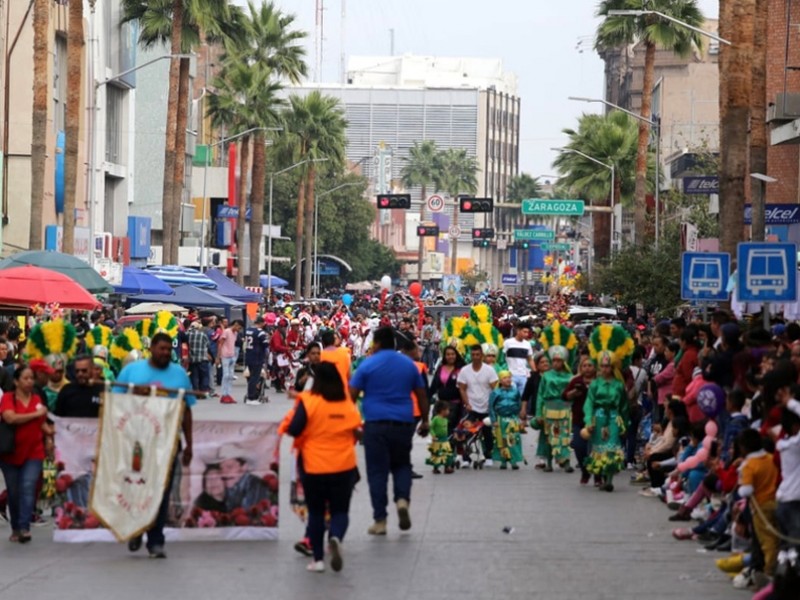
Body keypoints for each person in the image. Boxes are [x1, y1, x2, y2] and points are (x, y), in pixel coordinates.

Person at [116, 332, 194, 559]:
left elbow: (186, 410)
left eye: (169, 349)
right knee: (137, 488)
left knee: (161, 491)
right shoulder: (131, 371)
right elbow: (116, 403)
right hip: (137, 441)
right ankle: (135, 529)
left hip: (168, 443)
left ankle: (156, 540)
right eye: (161, 349)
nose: (165, 353)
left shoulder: (179, 375)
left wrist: (189, 444)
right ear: (151, 348)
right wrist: (135, 394)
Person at [349, 327, 429, 535]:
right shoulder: (408, 365)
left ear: (376, 343)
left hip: (375, 424)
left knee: (377, 472)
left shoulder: (367, 365)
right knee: (402, 465)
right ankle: (402, 500)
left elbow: (351, 396)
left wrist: (350, 424)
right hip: (403, 422)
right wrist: (426, 421)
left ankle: (380, 519)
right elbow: (421, 394)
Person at [287, 362, 362, 572]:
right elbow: (357, 430)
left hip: (314, 465)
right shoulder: (346, 403)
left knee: (317, 513)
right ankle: (336, 536)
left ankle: (318, 560)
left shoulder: (309, 401)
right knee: (340, 510)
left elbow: (294, 428)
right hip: (344, 465)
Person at [0, 366, 52, 543]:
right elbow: (10, 418)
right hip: (10, 454)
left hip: (34, 452)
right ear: (16, 381)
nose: (30, 381)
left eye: (31, 378)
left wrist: (59, 431)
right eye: (26, 378)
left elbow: (44, 426)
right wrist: (36, 413)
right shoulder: (8, 398)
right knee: (14, 492)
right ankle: (16, 527)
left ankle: (24, 527)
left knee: (29, 486)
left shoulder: (37, 399)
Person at [584, 351, 630, 492]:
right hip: (598, 417)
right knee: (599, 448)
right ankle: (604, 478)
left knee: (611, 447)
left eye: (608, 366)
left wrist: (625, 424)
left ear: (613, 367)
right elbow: (589, 403)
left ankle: (609, 480)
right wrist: (588, 421)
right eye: (602, 366)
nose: (605, 369)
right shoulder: (595, 384)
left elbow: (624, 405)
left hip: (614, 418)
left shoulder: (619, 385)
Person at [456, 345, 499, 466]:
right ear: (470, 355)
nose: (475, 357)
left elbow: (495, 388)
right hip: (471, 407)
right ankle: (466, 457)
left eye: (478, 355)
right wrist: (467, 403)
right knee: (465, 431)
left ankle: (488, 455)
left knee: (487, 432)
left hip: (486, 407)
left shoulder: (489, 370)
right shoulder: (465, 370)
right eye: (473, 355)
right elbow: (462, 389)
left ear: (482, 356)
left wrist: (493, 405)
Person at [536, 347, 574, 473]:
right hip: (549, 408)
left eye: (559, 360)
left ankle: (566, 460)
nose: (556, 363)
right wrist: (538, 414)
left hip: (565, 408)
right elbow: (540, 395)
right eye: (554, 360)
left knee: (564, 435)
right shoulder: (546, 376)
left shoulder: (570, 376)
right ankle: (549, 462)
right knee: (549, 436)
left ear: (564, 362)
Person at [564, 357, 597, 484]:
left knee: (596, 449)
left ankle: (598, 475)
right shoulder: (576, 380)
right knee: (579, 446)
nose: (587, 368)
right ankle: (585, 471)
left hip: (596, 420)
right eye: (584, 366)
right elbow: (565, 396)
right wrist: (573, 393)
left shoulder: (598, 381)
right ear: (580, 368)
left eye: (590, 365)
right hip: (579, 419)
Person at [489, 370, 525, 470]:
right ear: (500, 381)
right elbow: (491, 407)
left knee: (513, 439)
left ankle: (513, 460)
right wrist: (494, 420)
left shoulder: (515, 391)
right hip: (501, 419)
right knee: (502, 440)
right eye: (505, 378)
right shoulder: (496, 392)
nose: (508, 380)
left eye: (509, 377)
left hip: (513, 419)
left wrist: (520, 415)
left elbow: (519, 403)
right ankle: (503, 460)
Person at [429, 346, 466, 434]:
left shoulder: (461, 369)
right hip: (440, 405)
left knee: (449, 431)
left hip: (454, 406)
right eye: (448, 354)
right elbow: (434, 385)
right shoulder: (440, 368)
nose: (450, 356)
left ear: (456, 355)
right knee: (438, 430)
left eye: (452, 354)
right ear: (444, 356)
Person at [503, 322, 534, 397]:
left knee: (523, 397)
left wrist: (535, 371)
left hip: (523, 375)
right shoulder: (508, 343)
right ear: (518, 331)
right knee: (512, 396)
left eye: (527, 332)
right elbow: (502, 357)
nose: (526, 334)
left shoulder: (527, 344)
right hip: (511, 375)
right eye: (524, 332)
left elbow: (530, 359)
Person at [243, 317, 269, 405]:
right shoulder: (260, 332)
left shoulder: (248, 330)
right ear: (262, 323)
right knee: (255, 378)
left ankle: (250, 395)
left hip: (249, 355)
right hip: (257, 357)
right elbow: (265, 344)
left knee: (251, 377)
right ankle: (251, 398)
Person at [216, 320, 243, 404]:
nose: (239, 330)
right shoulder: (226, 332)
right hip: (225, 356)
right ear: (236, 324)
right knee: (226, 375)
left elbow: (232, 344)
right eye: (239, 327)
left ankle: (228, 394)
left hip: (232, 356)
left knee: (230, 376)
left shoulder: (235, 333)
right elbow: (220, 343)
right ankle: (224, 394)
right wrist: (218, 357)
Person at [426, 400, 454, 474]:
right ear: (442, 410)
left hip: (445, 439)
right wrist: (433, 435)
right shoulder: (436, 419)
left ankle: (447, 467)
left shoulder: (445, 419)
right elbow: (431, 428)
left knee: (447, 453)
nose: (449, 411)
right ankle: (436, 468)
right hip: (438, 439)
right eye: (447, 410)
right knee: (437, 453)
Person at [186, 321, 211, 396]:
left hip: (192, 359)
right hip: (202, 358)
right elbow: (207, 344)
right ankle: (203, 392)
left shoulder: (187, 334)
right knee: (204, 376)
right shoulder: (202, 334)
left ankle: (196, 392)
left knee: (194, 376)